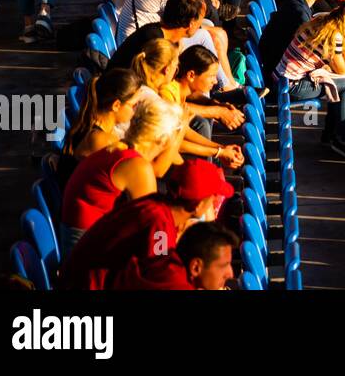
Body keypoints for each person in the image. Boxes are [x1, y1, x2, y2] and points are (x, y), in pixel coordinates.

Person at [58, 159, 234, 290]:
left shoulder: (155, 206)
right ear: (197, 205)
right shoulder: (158, 223)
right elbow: (161, 271)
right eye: (212, 197)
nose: (214, 201)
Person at [59, 93, 183, 249]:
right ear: (164, 139)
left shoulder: (118, 149)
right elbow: (153, 228)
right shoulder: (137, 167)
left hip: (82, 242)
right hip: (89, 253)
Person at [274, 0, 345, 161]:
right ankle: (342, 138)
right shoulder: (335, 36)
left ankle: (333, 131)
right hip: (291, 86)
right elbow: (342, 69)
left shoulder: (324, 19)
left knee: (339, 82)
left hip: (283, 77)